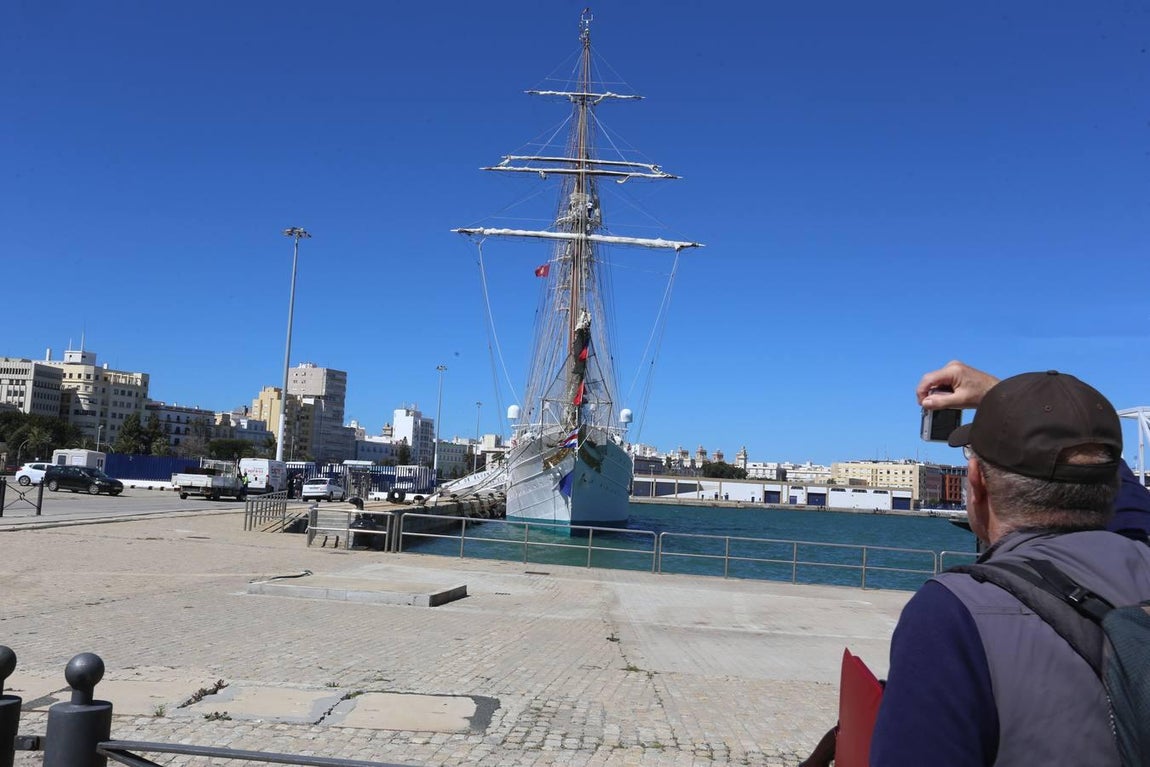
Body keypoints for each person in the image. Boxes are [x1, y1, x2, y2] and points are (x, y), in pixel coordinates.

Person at [869, 365, 1150, 766]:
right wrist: (1012, 402)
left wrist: (1011, 402)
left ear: (976, 482)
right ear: (1114, 484)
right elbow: (1134, 508)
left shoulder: (952, 617)